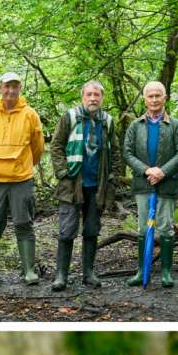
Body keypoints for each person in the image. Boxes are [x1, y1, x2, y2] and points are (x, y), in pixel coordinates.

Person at [0, 72, 45, 285]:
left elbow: (38, 147)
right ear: (0, 88)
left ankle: (29, 271)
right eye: (7, 86)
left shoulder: (30, 114)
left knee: (23, 223)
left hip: (22, 179)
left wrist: (24, 165)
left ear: (20, 88)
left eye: (15, 86)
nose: (11, 91)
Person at [49, 80, 116, 291]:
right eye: (89, 94)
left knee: (92, 230)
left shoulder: (107, 121)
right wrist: (62, 172)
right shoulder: (70, 117)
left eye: (97, 95)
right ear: (82, 97)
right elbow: (56, 146)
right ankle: (61, 276)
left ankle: (88, 273)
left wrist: (112, 177)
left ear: (102, 98)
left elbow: (115, 151)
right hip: (72, 184)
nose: (93, 98)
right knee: (67, 230)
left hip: (97, 186)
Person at [122, 81, 178, 288]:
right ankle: (142, 271)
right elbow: (127, 153)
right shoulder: (135, 126)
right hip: (143, 184)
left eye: (158, 95)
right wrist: (146, 170)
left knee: (166, 228)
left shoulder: (175, 125)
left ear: (165, 98)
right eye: (150, 96)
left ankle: (166, 272)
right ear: (144, 100)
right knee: (143, 229)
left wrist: (162, 171)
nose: (154, 99)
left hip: (167, 185)